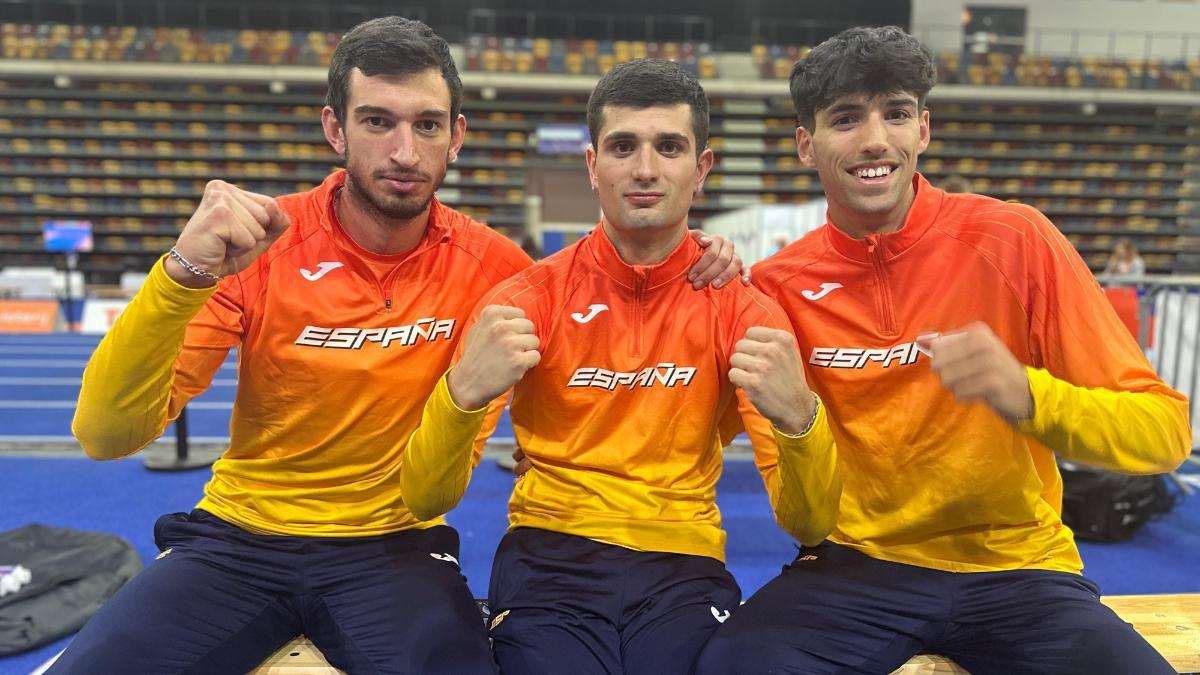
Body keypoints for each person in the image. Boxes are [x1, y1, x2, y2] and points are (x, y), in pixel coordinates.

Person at [57, 17, 741, 674]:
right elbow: (106, 433)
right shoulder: (261, 245)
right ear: (336, 128)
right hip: (238, 537)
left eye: (427, 125)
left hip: (394, 547)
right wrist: (182, 272)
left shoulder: (499, 268)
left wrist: (701, 258)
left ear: (457, 136)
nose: (405, 152)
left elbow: (612, 282)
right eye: (378, 121)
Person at [697, 26, 1191, 675]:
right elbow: (807, 520)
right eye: (846, 119)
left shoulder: (1015, 240)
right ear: (805, 145)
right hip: (855, 570)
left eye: (896, 113)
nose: (875, 139)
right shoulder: (777, 290)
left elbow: (1165, 435)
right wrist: (801, 424)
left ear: (922, 130)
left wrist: (1029, 395)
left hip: (1018, 567)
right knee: (731, 667)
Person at [402, 59, 840, 674]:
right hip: (548, 559)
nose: (644, 169)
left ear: (702, 168)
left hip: (683, 567)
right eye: (622, 146)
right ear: (592, 165)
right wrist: (461, 397)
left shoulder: (746, 313)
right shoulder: (526, 301)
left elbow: (811, 522)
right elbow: (425, 497)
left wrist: (801, 419)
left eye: (669, 147)